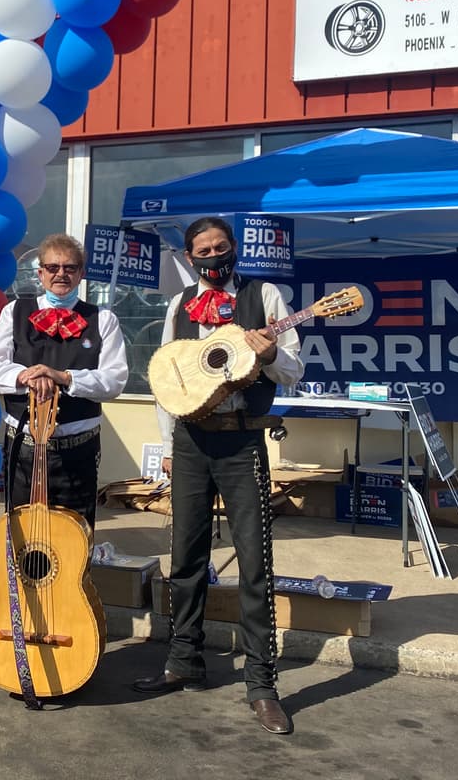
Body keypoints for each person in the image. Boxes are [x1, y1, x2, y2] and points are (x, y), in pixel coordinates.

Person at [132, 216, 303, 736]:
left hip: (241, 439)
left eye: (221, 247)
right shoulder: (178, 304)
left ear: (234, 248)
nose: (213, 256)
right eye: (202, 250)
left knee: (254, 560)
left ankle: (261, 683)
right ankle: (184, 659)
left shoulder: (264, 295)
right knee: (185, 555)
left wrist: (270, 354)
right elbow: (166, 375)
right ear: (189, 258)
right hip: (188, 442)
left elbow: (293, 369)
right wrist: (166, 445)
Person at [0, 233, 127, 528]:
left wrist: (64, 377)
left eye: (70, 268)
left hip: (79, 446)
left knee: (75, 534)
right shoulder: (15, 311)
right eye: (53, 268)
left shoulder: (103, 319)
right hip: (23, 444)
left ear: (81, 274)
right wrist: (25, 375)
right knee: (23, 532)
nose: (61, 274)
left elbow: (115, 379)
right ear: (40, 273)